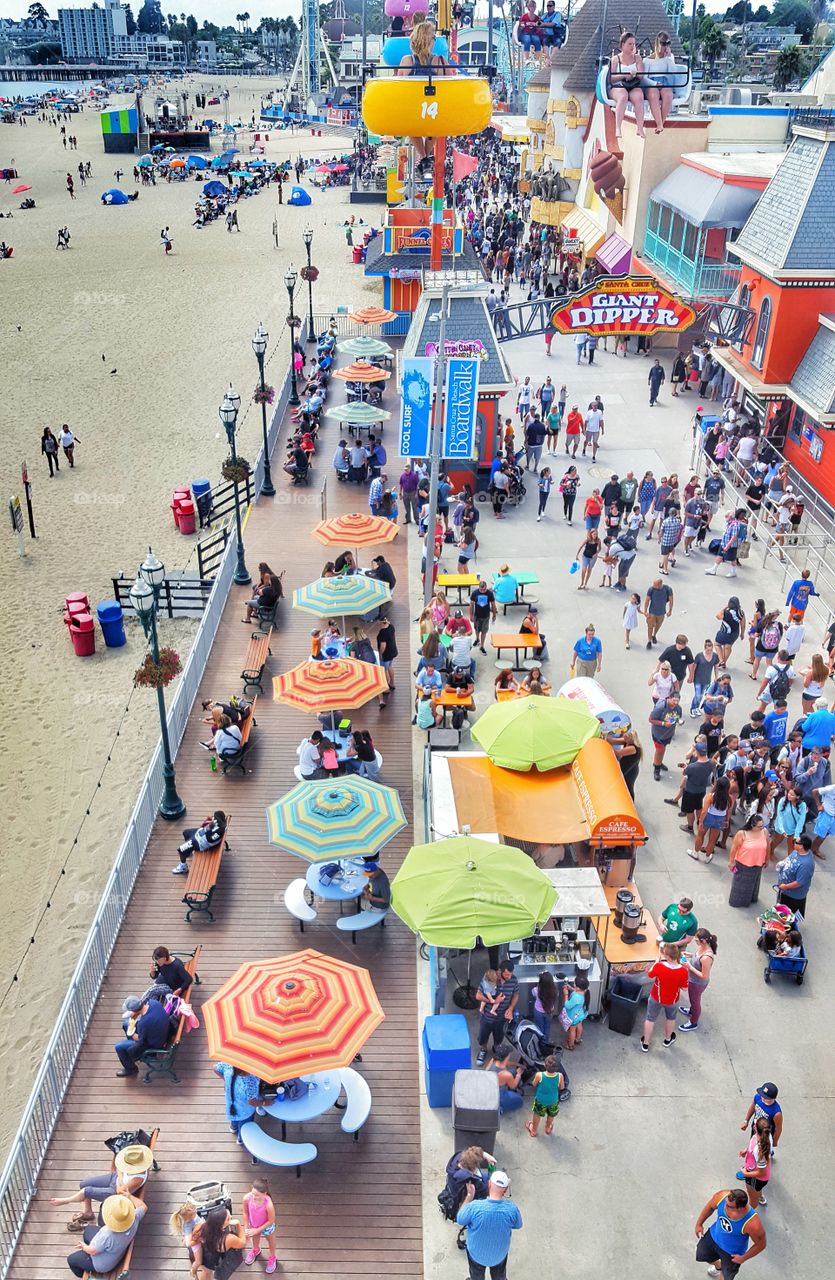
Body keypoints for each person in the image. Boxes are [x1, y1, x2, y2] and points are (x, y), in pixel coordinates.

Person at [50, 1144, 154, 1230]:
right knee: (84, 1184)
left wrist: (120, 1180)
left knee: (87, 1191)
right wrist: (121, 1178)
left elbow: (120, 1191)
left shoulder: (138, 1178)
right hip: (115, 1178)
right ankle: (88, 1212)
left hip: (116, 1192)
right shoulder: (132, 1162)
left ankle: (66, 1200)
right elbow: (119, 1167)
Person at [456, 1171, 522, 1280]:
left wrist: (469, 1196)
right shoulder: (511, 1209)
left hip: (476, 1254)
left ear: (489, 1185)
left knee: (476, 1276)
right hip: (499, 1255)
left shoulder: (475, 1207)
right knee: (499, 1276)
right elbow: (518, 1225)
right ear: (505, 1190)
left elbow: (460, 1219)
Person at [66, 1193, 147, 1278]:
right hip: (117, 1251)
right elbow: (143, 1206)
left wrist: (83, 1247)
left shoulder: (107, 1234)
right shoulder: (134, 1217)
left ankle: (84, 1275)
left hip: (102, 1263)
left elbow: (93, 1251)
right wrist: (129, 1196)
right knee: (89, 1230)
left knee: (72, 1260)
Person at [694, 1188, 766, 1277]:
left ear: (740, 1209)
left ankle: (723, 1271)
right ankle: (719, 1266)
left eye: (728, 1206)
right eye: (726, 1202)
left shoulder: (753, 1224)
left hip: (732, 1253)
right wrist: (699, 1224)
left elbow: (761, 1244)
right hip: (713, 1237)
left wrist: (743, 1258)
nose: (725, 1206)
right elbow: (710, 1207)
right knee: (704, 1255)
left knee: (726, 1275)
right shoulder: (721, 1197)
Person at [641, 943, 688, 1051]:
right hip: (672, 1000)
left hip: (656, 998)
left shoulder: (659, 966)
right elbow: (685, 988)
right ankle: (667, 1039)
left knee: (650, 1019)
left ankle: (646, 1043)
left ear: (667, 956)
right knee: (671, 1018)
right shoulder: (683, 971)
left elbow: (650, 974)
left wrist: (656, 962)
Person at [113, 994, 171, 1077]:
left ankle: (131, 1069)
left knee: (119, 1046)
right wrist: (135, 1017)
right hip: (161, 1032)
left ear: (134, 1011)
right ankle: (130, 1051)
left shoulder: (144, 1023)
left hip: (154, 1045)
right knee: (126, 1024)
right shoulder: (153, 1003)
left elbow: (140, 1040)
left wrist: (132, 1034)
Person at [476, 962, 518, 1064]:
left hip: (502, 1018)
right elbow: (478, 996)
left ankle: (497, 1049)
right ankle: (483, 1049)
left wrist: (511, 1008)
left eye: (511, 974)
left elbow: (515, 995)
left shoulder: (513, 980)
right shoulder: (490, 978)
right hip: (487, 1016)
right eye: (507, 974)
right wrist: (493, 1001)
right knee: (483, 1036)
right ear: (499, 972)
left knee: (499, 1037)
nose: (509, 977)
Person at [190, 1206, 248, 1280]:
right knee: (209, 1271)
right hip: (213, 1260)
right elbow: (243, 1243)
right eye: (228, 1219)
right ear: (221, 1225)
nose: (231, 1217)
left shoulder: (201, 1226)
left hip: (202, 1254)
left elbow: (193, 1239)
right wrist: (238, 1225)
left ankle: (194, 1273)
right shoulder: (228, 1239)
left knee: (206, 1272)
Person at [609, 31, 648, 139]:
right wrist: (623, 76)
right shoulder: (615, 59)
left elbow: (641, 75)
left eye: (633, 44)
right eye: (630, 44)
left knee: (639, 97)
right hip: (618, 84)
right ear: (623, 45)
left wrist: (635, 74)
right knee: (623, 96)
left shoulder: (638, 58)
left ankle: (640, 127)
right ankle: (618, 127)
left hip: (633, 83)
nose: (632, 46)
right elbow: (611, 78)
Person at [678, 927, 717, 1032]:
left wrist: (689, 967)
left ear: (703, 941)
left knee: (695, 1002)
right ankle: (691, 1011)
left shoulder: (706, 957)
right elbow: (696, 956)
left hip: (697, 983)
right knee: (692, 999)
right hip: (692, 980)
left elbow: (705, 976)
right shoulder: (702, 947)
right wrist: (689, 955)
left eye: (696, 940)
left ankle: (693, 1022)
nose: (695, 941)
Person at [172, 810, 227, 875]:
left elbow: (210, 839)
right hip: (198, 834)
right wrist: (210, 825)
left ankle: (183, 867)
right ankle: (188, 851)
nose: (213, 818)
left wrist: (209, 828)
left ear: (218, 819)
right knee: (185, 832)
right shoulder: (218, 823)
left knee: (180, 850)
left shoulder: (219, 831)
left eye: (214, 818)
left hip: (200, 842)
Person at [644, 31, 677, 131]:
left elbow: (673, 73)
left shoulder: (669, 59)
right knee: (654, 94)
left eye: (668, 44)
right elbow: (644, 78)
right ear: (657, 44)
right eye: (663, 43)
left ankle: (660, 123)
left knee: (668, 95)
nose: (665, 46)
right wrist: (654, 83)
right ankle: (659, 124)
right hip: (651, 83)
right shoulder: (648, 60)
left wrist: (669, 58)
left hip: (665, 82)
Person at [242, 1179, 278, 1273]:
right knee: (255, 1238)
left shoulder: (268, 1204)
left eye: (257, 1195)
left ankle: (272, 1257)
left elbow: (271, 1220)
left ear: (265, 1193)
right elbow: (245, 1213)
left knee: (271, 1240)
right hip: (254, 1224)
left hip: (267, 1225)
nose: (254, 1197)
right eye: (252, 1193)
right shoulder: (247, 1198)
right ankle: (256, 1249)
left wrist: (258, 1230)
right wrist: (246, 1227)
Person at [775, 835, 815, 916]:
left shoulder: (806, 865)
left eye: (795, 842)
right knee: (781, 911)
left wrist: (785, 887)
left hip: (792, 896)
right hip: (784, 891)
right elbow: (790, 858)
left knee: (788, 916)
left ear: (801, 846)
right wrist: (782, 863)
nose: (793, 842)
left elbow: (799, 882)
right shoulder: (797, 851)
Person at [738, 1118, 772, 1211]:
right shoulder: (765, 1137)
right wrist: (747, 1150)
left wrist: (745, 1173)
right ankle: (759, 1195)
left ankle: (748, 1214)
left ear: (756, 1128)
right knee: (756, 1190)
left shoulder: (759, 1150)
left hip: (756, 1178)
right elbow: (753, 1144)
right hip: (756, 1174)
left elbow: (761, 1172)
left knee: (752, 1197)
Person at [525, 1054, 563, 1138]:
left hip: (541, 1100)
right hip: (553, 1100)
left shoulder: (539, 1075)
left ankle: (534, 1130)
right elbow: (562, 1087)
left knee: (537, 1114)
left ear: (545, 1065)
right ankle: (548, 1128)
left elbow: (534, 1084)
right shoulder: (560, 1076)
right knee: (551, 1115)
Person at [649, 691, 682, 780]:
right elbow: (651, 719)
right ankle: (657, 769)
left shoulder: (678, 708)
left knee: (662, 750)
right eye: (674, 700)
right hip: (658, 734)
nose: (675, 703)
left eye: (677, 701)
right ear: (669, 698)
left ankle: (658, 762)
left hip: (668, 734)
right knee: (659, 751)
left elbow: (677, 717)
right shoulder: (660, 707)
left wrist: (679, 721)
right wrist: (663, 724)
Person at [484, 1042, 524, 1114]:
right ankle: (500, 1110)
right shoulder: (506, 1074)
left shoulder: (494, 1059)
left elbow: (506, 1063)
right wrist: (519, 1074)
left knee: (512, 1071)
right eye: (509, 1054)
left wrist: (517, 1064)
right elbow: (513, 1086)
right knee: (520, 1101)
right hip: (500, 1094)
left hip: (491, 1086)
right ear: (506, 1057)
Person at [560, 975, 589, 1050]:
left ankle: (570, 1045)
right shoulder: (584, 992)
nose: (573, 984)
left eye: (574, 984)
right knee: (579, 1026)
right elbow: (577, 991)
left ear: (578, 988)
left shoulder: (576, 997)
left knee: (572, 1031)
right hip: (580, 1015)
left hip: (573, 1017)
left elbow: (567, 1005)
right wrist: (571, 989)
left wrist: (566, 994)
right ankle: (578, 1039)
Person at [644, 578, 673, 648]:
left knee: (658, 625)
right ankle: (649, 640)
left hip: (661, 612)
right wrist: (645, 611)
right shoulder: (651, 589)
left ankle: (654, 635)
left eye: (655, 585)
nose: (653, 586)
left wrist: (670, 611)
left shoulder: (668, 589)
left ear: (660, 584)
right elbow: (647, 600)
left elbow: (671, 600)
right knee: (650, 626)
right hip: (652, 612)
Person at [470, 579, 497, 654]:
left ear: (486, 587)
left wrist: (494, 615)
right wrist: (471, 615)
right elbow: (471, 605)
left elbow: (493, 605)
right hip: (477, 616)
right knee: (476, 629)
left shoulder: (490, 593)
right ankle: (477, 639)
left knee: (484, 631)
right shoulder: (475, 593)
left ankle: (482, 646)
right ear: (479, 587)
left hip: (486, 616)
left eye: (484, 589)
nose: (482, 590)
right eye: (481, 589)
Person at [531, 970, 556, 1040]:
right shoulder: (555, 991)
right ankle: (546, 1041)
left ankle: (540, 1042)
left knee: (539, 1028)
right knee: (547, 1028)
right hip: (549, 1011)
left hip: (538, 1012)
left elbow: (533, 994)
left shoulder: (536, 990)